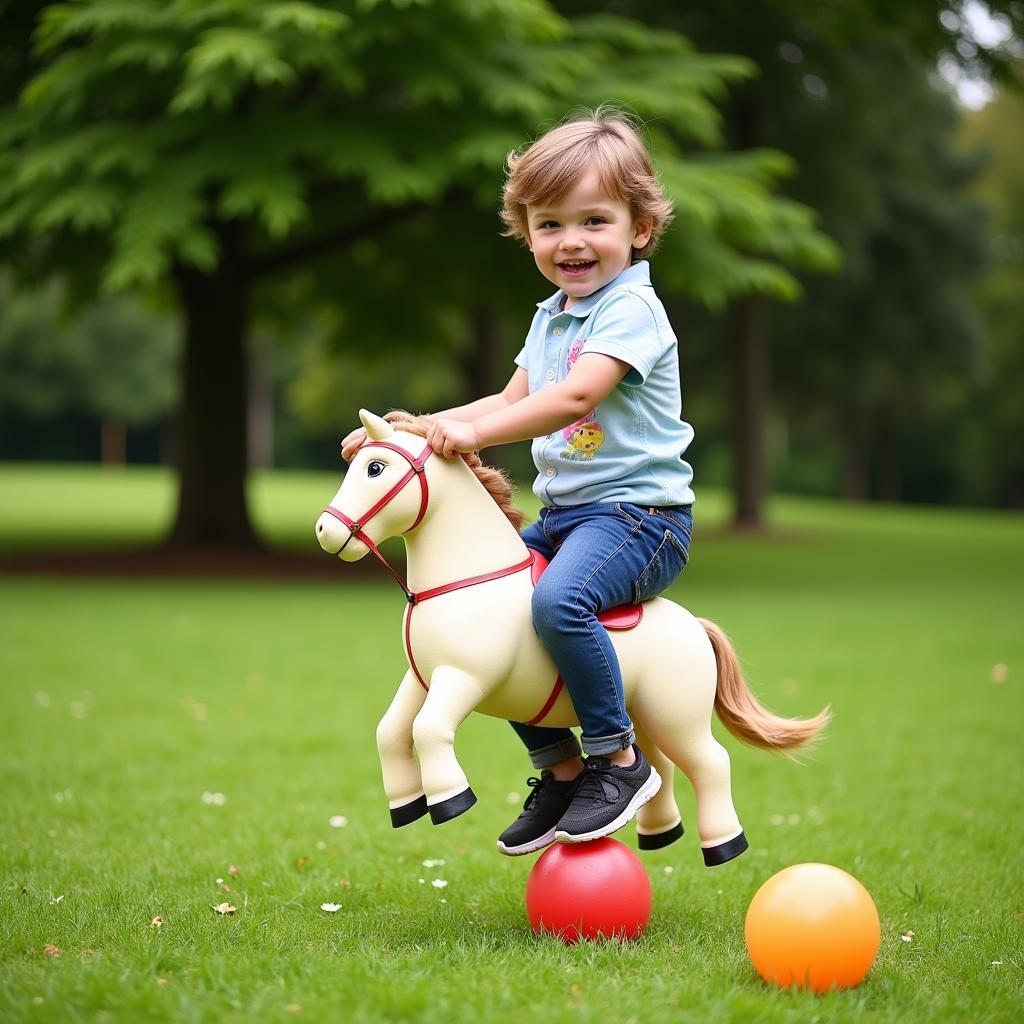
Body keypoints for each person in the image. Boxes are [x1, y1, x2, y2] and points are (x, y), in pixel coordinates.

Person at [341, 108, 695, 857]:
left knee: (559, 602)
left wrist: (470, 437)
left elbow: (570, 400)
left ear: (638, 227)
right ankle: (560, 769)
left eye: (594, 219)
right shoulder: (552, 316)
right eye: (549, 224)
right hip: (569, 514)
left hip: (641, 517)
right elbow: (507, 403)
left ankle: (620, 759)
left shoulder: (631, 308)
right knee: (494, 619)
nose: (570, 241)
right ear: (526, 232)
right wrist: (414, 430)